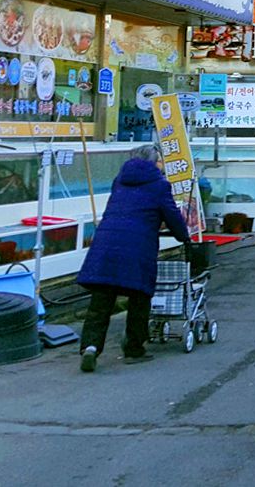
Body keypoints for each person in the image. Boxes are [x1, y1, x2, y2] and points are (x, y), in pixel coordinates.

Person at [77, 143, 192, 372]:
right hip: (137, 248)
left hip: (105, 246)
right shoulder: (159, 185)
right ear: (154, 163)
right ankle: (134, 349)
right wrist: (184, 236)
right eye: (160, 161)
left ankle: (90, 347)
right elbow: (171, 215)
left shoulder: (119, 181)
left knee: (100, 302)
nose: (162, 165)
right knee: (139, 298)